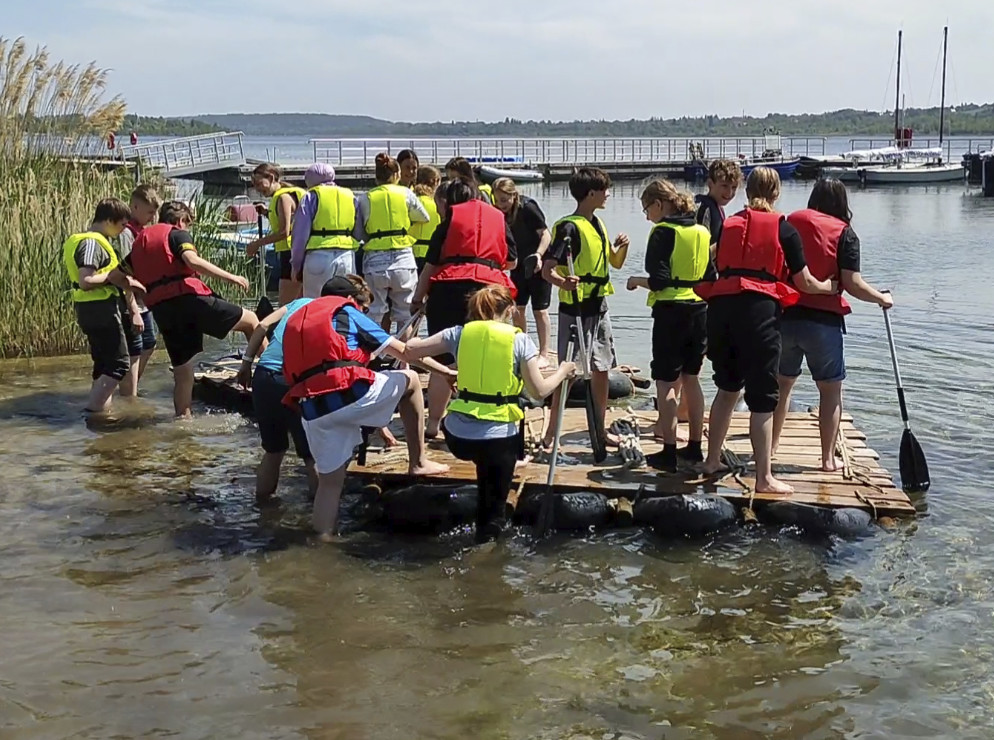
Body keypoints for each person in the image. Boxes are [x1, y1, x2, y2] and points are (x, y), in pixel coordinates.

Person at [694, 167, 836, 493]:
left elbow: (709, 267)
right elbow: (804, 282)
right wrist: (830, 287)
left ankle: (712, 459)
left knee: (727, 388)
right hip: (758, 312)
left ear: (747, 192)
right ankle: (764, 478)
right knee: (762, 398)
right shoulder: (783, 229)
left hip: (722, 310)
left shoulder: (727, 223)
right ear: (776, 193)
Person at [280, 277, 453, 539]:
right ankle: (418, 463)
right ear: (352, 300)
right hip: (346, 394)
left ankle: (322, 542)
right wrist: (446, 372)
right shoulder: (347, 311)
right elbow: (405, 353)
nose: (364, 312)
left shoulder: (299, 315)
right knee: (412, 381)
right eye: (364, 307)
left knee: (329, 484)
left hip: (312, 408)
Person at [407, 285, 576, 542]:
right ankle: (487, 553)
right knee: (492, 513)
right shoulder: (519, 340)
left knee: (482, 455)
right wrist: (563, 371)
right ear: (510, 310)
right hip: (498, 440)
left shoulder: (459, 333)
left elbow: (409, 349)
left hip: (457, 438)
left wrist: (442, 370)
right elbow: (539, 392)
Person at [773, 178, 894, 472]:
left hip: (785, 316)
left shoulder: (790, 222)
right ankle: (827, 460)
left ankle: (771, 447)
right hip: (823, 323)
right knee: (830, 391)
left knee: (781, 385)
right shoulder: (846, 234)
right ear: (843, 203)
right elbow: (852, 284)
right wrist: (881, 298)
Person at [129, 201, 259, 417]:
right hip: (190, 300)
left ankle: (184, 422)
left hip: (163, 310)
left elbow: (116, 276)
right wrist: (232, 277)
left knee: (183, 373)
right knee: (252, 321)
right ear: (181, 221)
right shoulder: (177, 234)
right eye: (188, 224)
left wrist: (135, 292)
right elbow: (192, 261)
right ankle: (279, 376)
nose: (187, 229)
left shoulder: (141, 243)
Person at [411, 179, 518, 437]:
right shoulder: (498, 218)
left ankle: (434, 424)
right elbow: (512, 261)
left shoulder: (449, 221)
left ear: (448, 202)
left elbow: (431, 265)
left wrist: (418, 299)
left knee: (445, 358)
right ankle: (483, 418)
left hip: (448, 289)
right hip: (489, 292)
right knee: (486, 356)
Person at [625, 180, 713, 471]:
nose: (647, 215)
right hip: (699, 308)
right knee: (692, 378)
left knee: (665, 382)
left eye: (646, 208)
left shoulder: (662, 231)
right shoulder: (702, 231)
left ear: (659, 205)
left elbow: (660, 279)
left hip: (671, 311)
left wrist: (636, 281)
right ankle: (695, 448)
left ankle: (668, 450)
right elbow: (709, 275)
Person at [541, 167, 629, 448]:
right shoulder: (569, 227)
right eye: (604, 190)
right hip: (575, 308)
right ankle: (551, 433)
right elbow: (547, 269)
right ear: (591, 193)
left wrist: (622, 247)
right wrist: (563, 283)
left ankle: (599, 430)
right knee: (568, 370)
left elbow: (614, 263)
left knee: (602, 369)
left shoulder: (598, 224)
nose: (608, 195)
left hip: (599, 306)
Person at [62, 198, 146, 413]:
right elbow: (86, 280)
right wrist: (115, 276)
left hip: (96, 308)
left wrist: (128, 285)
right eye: (122, 225)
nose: (123, 230)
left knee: (103, 365)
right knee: (118, 364)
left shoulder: (99, 241)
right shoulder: (92, 243)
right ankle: (94, 411)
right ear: (109, 220)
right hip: (98, 309)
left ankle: (102, 415)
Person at [354, 153, 430, 333]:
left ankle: (375, 356)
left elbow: (358, 233)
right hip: (403, 257)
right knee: (405, 313)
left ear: (376, 176)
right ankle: (404, 359)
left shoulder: (365, 198)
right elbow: (424, 217)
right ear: (396, 175)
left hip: (375, 260)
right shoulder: (406, 193)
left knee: (374, 312)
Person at [493, 177, 554, 367]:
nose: (500, 205)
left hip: (537, 261)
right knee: (518, 308)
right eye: (497, 200)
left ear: (514, 195)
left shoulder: (528, 207)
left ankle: (543, 352)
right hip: (518, 264)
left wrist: (538, 255)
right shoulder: (498, 213)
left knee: (540, 309)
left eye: (504, 200)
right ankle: (524, 348)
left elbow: (546, 233)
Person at [116, 183, 161, 395]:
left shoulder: (145, 231)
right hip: (132, 300)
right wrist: (133, 309)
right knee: (134, 350)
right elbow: (125, 274)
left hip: (145, 300)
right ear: (135, 207)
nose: (153, 217)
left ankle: (132, 385)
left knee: (149, 343)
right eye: (150, 212)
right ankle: (129, 395)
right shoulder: (126, 234)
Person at [289, 163, 358, 299]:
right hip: (347, 255)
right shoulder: (350, 195)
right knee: (344, 301)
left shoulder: (311, 196)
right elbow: (358, 229)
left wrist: (295, 265)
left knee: (314, 302)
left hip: (318, 256)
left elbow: (300, 236)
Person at [246, 163, 305, 305]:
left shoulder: (283, 197)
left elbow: (284, 232)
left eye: (260, 184)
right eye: (254, 185)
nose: (258, 189)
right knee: (297, 303)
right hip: (297, 252)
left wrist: (256, 244)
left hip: (291, 253)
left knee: (285, 306)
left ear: (272, 178)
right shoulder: (283, 196)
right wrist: (267, 213)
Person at [695, 158, 742, 253]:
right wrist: (727, 240)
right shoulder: (704, 209)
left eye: (734, 187)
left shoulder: (717, 207)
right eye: (724, 186)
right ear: (710, 184)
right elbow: (701, 251)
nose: (729, 192)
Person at [410, 165, 442, 274]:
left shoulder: (410, 202)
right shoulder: (438, 204)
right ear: (436, 181)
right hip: (431, 257)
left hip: (409, 255)